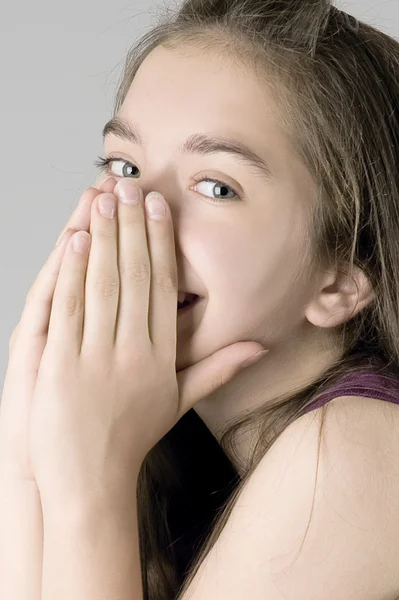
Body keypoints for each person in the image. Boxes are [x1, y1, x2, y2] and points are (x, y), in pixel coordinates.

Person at [1, 0, 399, 598]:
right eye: (125, 166)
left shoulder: (354, 454)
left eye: (217, 186)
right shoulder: (191, 462)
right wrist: (28, 446)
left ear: (342, 279)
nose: (136, 212)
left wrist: (90, 484)